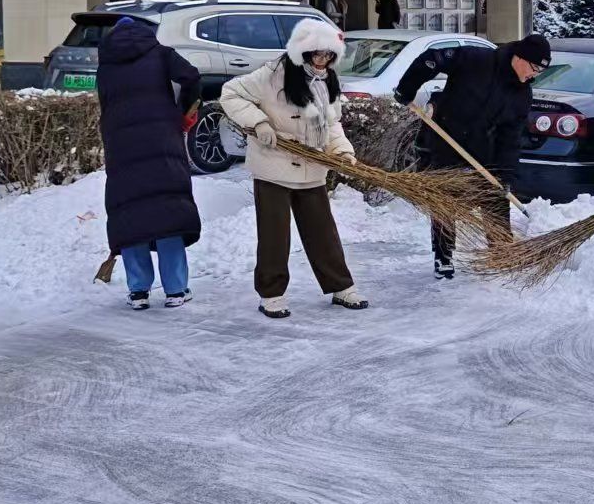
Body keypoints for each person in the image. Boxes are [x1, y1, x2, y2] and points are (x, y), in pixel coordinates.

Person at [221, 19, 368, 318]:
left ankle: (341, 286)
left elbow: (331, 123)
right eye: (317, 54)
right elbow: (230, 93)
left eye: (328, 56)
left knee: (323, 232)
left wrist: (342, 151)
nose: (322, 61)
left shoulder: (327, 81)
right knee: (274, 236)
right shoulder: (273, 74)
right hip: (273, 165)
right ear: (303, 51)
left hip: (312, 166)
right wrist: (259, 123)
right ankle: (271, 294)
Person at [394, 32, 551, 278]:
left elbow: (510, 139)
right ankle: (443, 257)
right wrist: (407, 88)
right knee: (445, 200)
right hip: (447, 140)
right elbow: (432, 59)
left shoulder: (522, 95)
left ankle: (501, 253)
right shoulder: (476, 58)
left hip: (485, 150)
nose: (535, 75)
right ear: (520, 57)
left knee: (496, 198)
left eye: (540, 71)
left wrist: (505, 176)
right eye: (534, 68)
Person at [98, 16, 202, 311]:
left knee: (131, 213)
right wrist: (184, 112)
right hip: (161, 139)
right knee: (167, 209)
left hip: (122, 144)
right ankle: (176, 289)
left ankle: (138, 291)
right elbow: (191, 76)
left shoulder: (106, 65)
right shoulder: (160, 53)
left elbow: (105, 104)